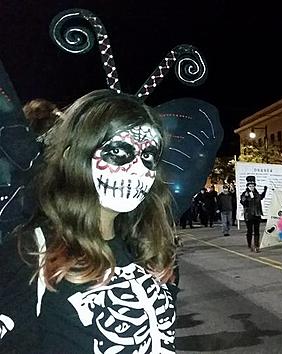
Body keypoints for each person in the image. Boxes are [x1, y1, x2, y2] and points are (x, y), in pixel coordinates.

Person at [0, 90, 178, 352]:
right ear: (74, 155)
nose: (138, 169)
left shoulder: (149, 247)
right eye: (118, 151)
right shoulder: (31, 254)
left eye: (149, 156)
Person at [240, 176, 267, 252]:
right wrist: (245, 197)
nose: (252, 187)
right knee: (249, 231)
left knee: (257, 231)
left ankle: (256, 246)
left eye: (253, 186)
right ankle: (249, 244)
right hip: (249, 215)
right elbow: (243, 202)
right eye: (250, 186)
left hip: (257, 215)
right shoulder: (245, 193)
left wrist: (265, 190)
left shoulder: (256, 193)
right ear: (248, 186)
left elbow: (261, 197)